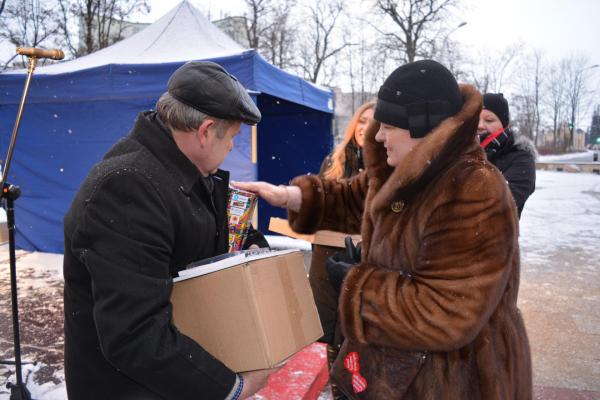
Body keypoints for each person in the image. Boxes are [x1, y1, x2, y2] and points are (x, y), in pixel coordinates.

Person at [234, 60, 532, 399]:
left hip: (454, 379)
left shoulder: (472, 189)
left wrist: (358, 288)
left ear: (423, 126)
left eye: (388, 125)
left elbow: (448, 311)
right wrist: (289, 196)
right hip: (400, 368)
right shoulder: (406, 172)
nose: (377, 136)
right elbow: (352, 198)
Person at [63, 61, 276, 400]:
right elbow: (135, 334)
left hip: (174, 379)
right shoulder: (127, 187)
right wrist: (230, 389)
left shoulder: (186, 174)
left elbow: (207, 239)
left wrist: (249, 248)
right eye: (232, 137)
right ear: (205, 131)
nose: (232, 147)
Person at [312, 100, 374, 399]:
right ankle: (335, 386)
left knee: (357, 330)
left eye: (374, 122)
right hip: (326, 257)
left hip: (365, 261)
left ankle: (352, 387)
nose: (365, 128)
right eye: (361, 122)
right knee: (327, 327)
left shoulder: (389, 164)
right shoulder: (334, 160)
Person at [478, 93, 537, 217]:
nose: (480, 125)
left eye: (489, 120)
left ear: (504, 124)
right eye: (476, 119)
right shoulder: (463, 152)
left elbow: (499, 203)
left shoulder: (521, 158)